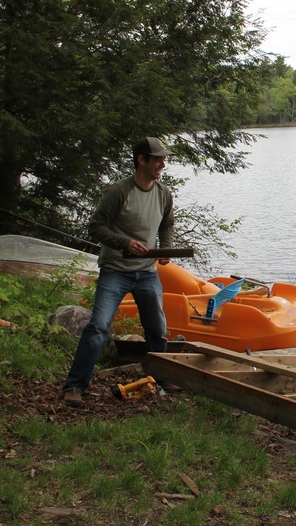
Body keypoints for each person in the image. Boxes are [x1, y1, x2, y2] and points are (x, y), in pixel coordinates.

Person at [61, 137, 176, 407]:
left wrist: (165, 249)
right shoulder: (119, 192)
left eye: (163, 158)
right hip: (116, 270)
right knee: (98, 326)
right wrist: (125, 243)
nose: (163, 163)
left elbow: (167, 224)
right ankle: (75, 386)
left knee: (157, 329)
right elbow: (96, 227)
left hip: (147, 273)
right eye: (158, 158)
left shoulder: (164, 193)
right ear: (142, 160)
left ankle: (159, 379)